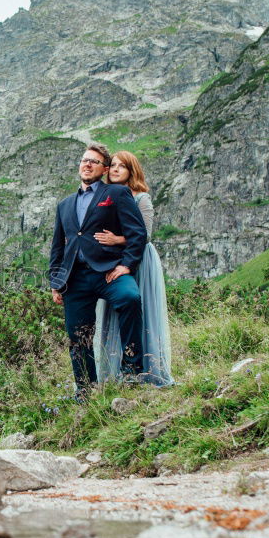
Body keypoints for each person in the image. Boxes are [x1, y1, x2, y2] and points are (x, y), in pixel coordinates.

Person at [48, 144, 148, 398]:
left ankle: (132, 371)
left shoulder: (115, 193)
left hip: (108, 272)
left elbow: (137, 233)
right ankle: (85, 389)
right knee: (78, 336)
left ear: (104, 169)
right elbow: (58, 246)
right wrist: (55, 280)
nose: (87, 164)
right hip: (75, 278)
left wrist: (126, 265)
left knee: (129, 298)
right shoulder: (65, 204)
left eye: (94, 161)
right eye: (84, 160)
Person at [92, 151, 174, 387]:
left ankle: (145, 370)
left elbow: (145, 234)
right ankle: (114, 372)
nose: (115, 169)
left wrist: (117, 240)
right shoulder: (107, 196)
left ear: (131, 170)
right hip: (114, 261)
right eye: (113, 165)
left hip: (140, 260)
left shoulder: (141, 198)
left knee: (140, 307)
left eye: (122, 166)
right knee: (115, 311)